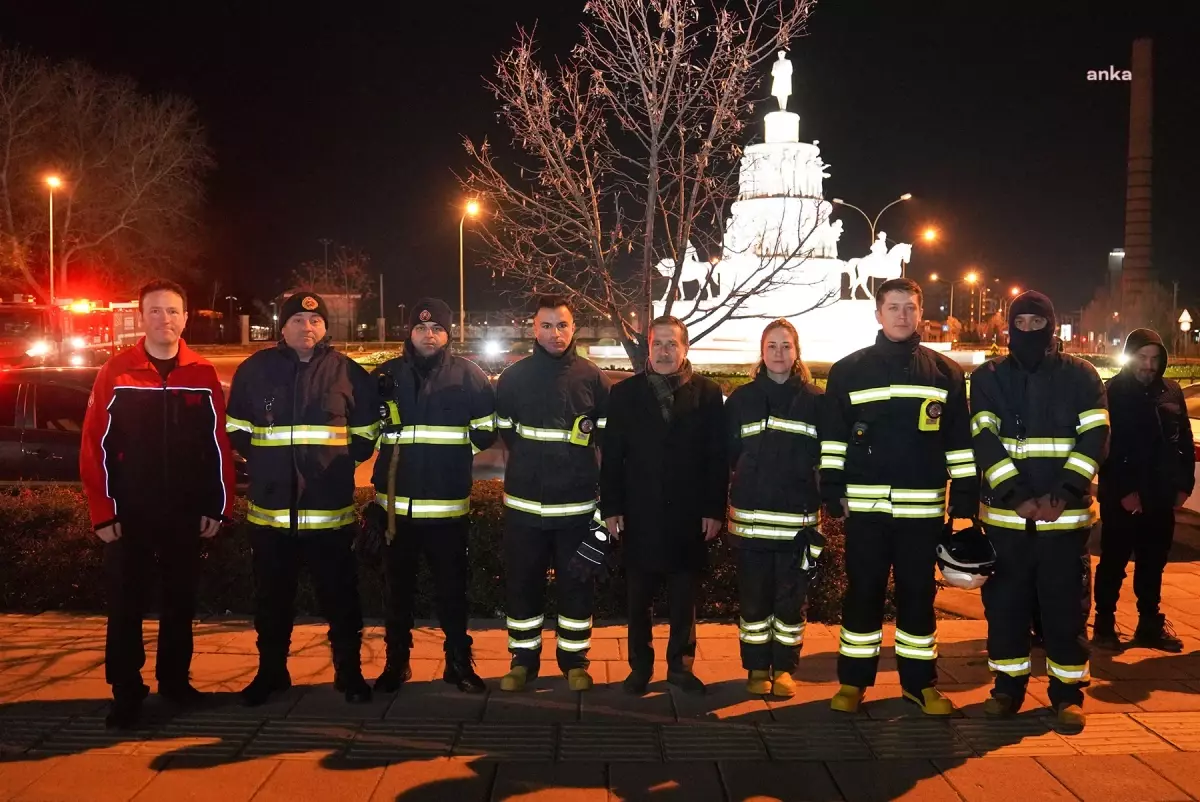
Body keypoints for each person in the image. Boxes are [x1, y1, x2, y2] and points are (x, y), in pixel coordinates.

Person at [80, 278, 235, 729]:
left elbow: (217, 447)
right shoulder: (116, 371)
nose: (164, 319)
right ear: (141, 317)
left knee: (180, 602)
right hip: (129, 516)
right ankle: (126, 693)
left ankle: (174, 683)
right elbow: (94, 446)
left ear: (185, 318)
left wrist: (217, 506)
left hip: (185, 514)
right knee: (126, 607)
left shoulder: (203, 374)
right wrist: (103, 512)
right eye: (155, 311)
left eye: (172, 311)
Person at [819, 277, 978, 715]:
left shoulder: (945, 372)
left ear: (920, 313)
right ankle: (852, 683)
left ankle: (920, 685)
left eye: (909, 308)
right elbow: (832, 439)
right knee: (863, 594)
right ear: (878, 314)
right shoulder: (848, 370)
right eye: (893, 308)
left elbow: (958, 441)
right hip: (866, 511)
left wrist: (964, 497)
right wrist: (832, 489)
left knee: (918, 597)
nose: (902, 315)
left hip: (921, 512)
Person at [225, 291, 380, 706]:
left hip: (330, 516)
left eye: (314, 321)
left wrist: (340, 466)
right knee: (271, 603)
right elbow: (237, 428)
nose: (306, 328)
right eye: (297, 320)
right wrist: (267, 465)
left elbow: (366, 436)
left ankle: (349, 675)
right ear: (283, 326)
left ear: (325, 327)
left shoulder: (348, 372)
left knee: (342, 601)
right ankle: (271, 674)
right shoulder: (255, 371)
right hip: (272, 516)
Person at [970, 291, 1109, 732]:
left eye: (1037, 322)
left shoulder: (1082, 375)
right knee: (1006, 609)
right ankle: (1006, 689)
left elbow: (1096, 439)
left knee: (1065, 609)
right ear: (1009, 328)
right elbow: (983, 439)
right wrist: (1017, 497)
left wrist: (1063, 493)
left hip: (1063, 524)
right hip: (1008, 523)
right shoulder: (989, 376)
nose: (1029, 329)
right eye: (1021, 322)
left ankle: (1067, 695)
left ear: (1052, 327)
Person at [367, 298, 495, 693]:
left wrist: (452, 459)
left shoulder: (468, 376)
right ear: (410, 331)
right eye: (422, 328)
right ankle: (396, 664)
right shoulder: (386, 376)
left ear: (448, 333)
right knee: (397, 593)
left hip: (446, 509)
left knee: (453, 593)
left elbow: (485, 430)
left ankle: (459, 663)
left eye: (437, 328)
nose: (429, 335)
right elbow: (368, 432)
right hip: (395, 512)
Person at [601, 316, 728, 696]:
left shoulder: (707, 393)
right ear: (648, 348)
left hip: (689, 515)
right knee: (638, 598)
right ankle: (640, 667)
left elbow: (716, 458)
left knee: (683, 598)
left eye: (672, 344)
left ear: (685, 348)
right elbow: (612, 458)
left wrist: (714, 509)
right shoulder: (625, 395)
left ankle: (680, 667)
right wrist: (611, 507)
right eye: (658, 344)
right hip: (640, 513)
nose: (665, 350)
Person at [494, 295, 612, 691]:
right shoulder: (514, 378)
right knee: (522, 583)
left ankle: (574, 661)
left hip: (577, 508)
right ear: (533, 328)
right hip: (525, 508)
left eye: (561, 325)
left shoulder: (593, 378)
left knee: (576, 584)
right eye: (546, 325)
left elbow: (607, 438)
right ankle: (522, 662)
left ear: (573, 328)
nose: (554, 333)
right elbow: (507, 433)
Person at [724, 319, 823, 698]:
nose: (779, 353)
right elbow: (727, 456)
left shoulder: (816, 401)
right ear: (761, 353)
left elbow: (826, 459)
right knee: (753, 601)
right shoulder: (742, 400)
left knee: (791, 603)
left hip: (798, 527)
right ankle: (754, 668)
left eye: (786, 346)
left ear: (797, 352)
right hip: (750, 526)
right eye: (772, 346)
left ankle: (783, 668)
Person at [1093, 328, 1195, 652]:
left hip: (1160, 496)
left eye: (1155, 359)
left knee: (1153, 563)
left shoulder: (1171, 391)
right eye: (1142, 357)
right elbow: (1104, 447)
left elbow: (1183, 441)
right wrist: (1123, 491)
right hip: (1121, 498)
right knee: (1114, 563)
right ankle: (1105, 625)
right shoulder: (1111, 393)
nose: (1148, 365)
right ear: (1130, 357)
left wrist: (1183, 485)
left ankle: (1149, 624)